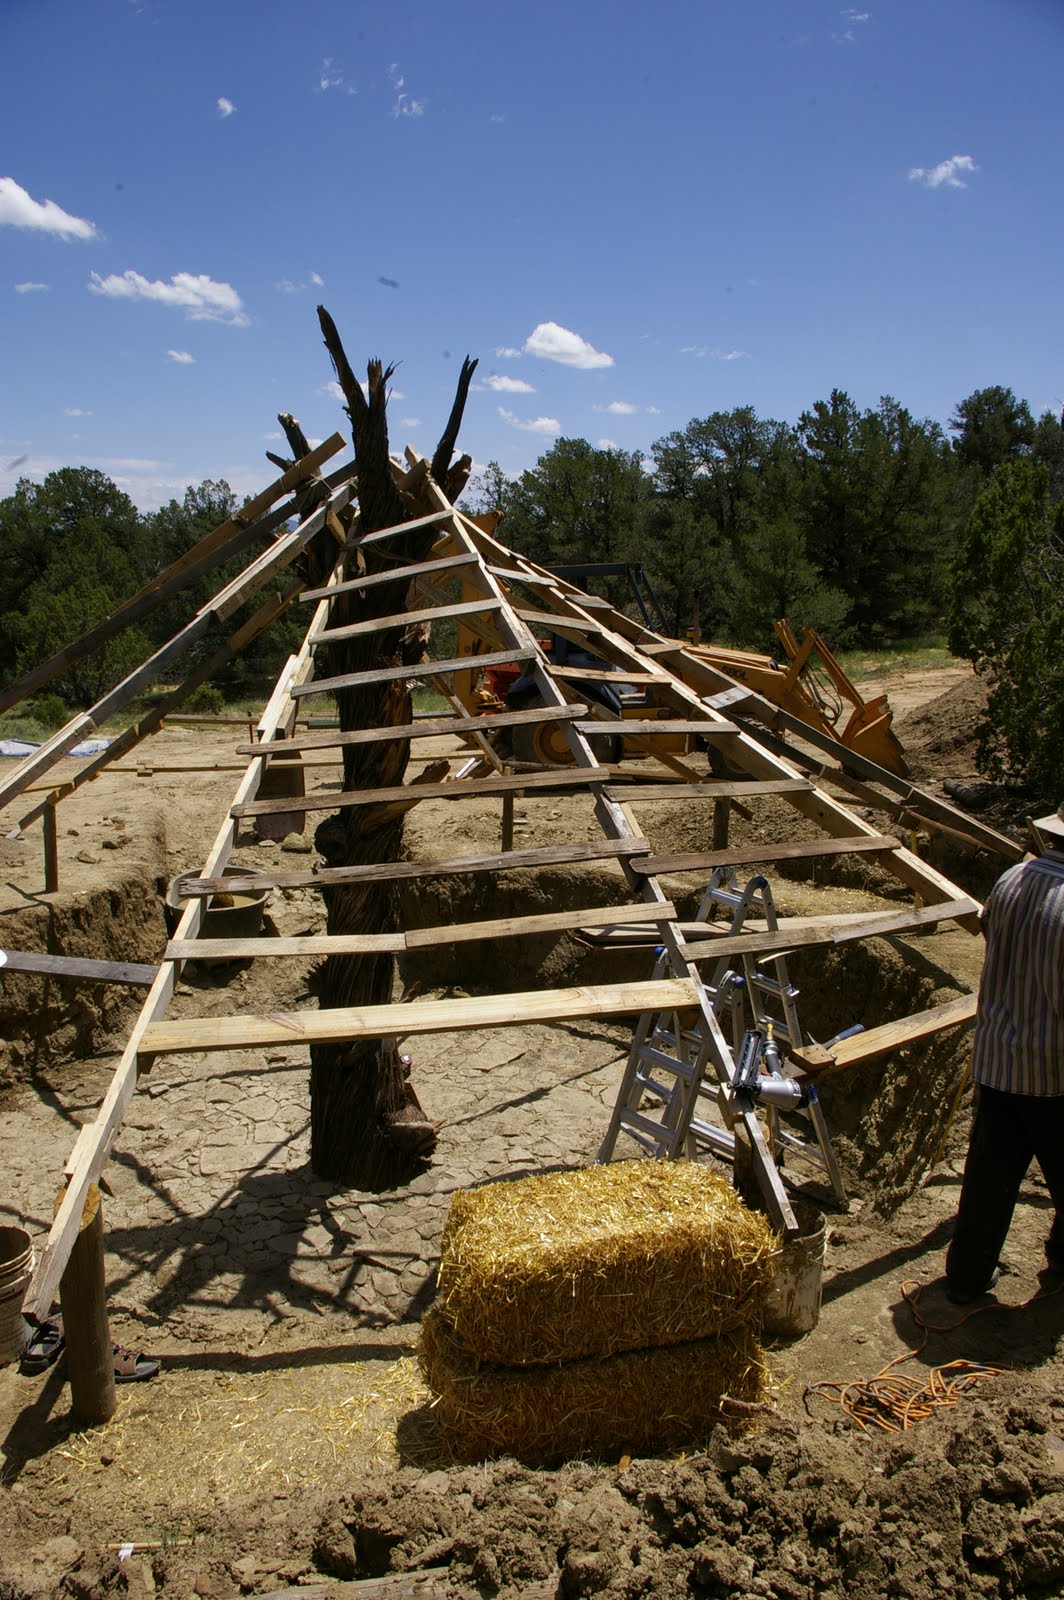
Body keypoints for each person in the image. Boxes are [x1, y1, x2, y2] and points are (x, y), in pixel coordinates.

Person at [945, 803, 1064, 1304]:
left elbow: (993, 939)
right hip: (1051, 1072)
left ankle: (967, 1278)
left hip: (997, 1057)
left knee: (989, 1179)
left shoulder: (1011, 878)